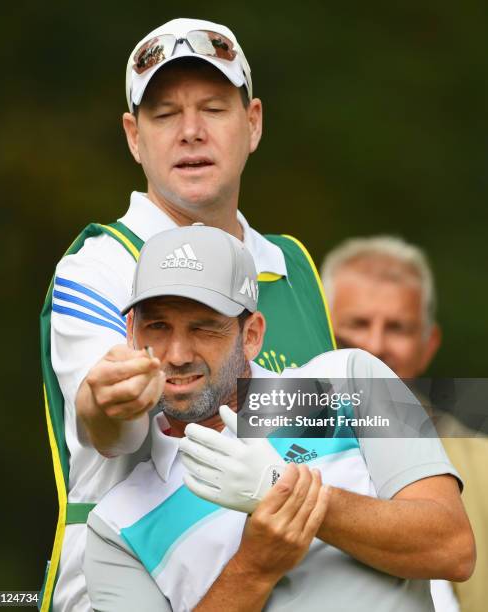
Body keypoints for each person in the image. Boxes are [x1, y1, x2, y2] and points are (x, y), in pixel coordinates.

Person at [39, 18, 335, 612]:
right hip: (122, 590)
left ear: (252, 123)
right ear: (133, 136)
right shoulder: (98, 266)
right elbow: (116, 429)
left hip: (282, 587)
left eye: (213, 109)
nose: (191, 132)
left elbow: (332, 439)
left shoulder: (294, 265)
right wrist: (107, 403)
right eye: (165, 114)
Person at [84, 224, 475, 612]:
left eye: (204, 327)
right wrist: (255, 565)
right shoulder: (116, 526)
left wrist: (284, 492)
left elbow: (453, 548)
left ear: (251, 334)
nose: (178, 353)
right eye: (158, 326)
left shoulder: (350, 379)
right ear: (132, 332)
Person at [321, 235, 488, 612]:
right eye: (358, 324)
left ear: (429, 344)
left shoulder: (483, 463)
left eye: (397, 328)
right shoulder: (279, 443)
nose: (376, 345)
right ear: (322, 331)